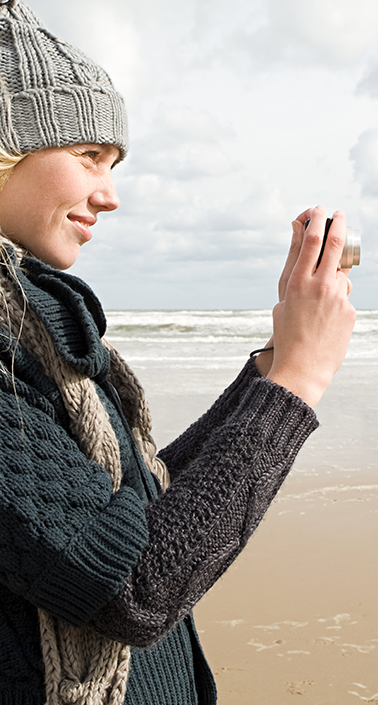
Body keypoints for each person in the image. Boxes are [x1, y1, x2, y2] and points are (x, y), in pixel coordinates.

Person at [0, 2, 356, 704]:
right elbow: (133, 586)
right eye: (89, 156)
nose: (110, 194)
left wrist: (268, 367)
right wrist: (296, 381)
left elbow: (143, 499)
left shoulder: (35, 321)